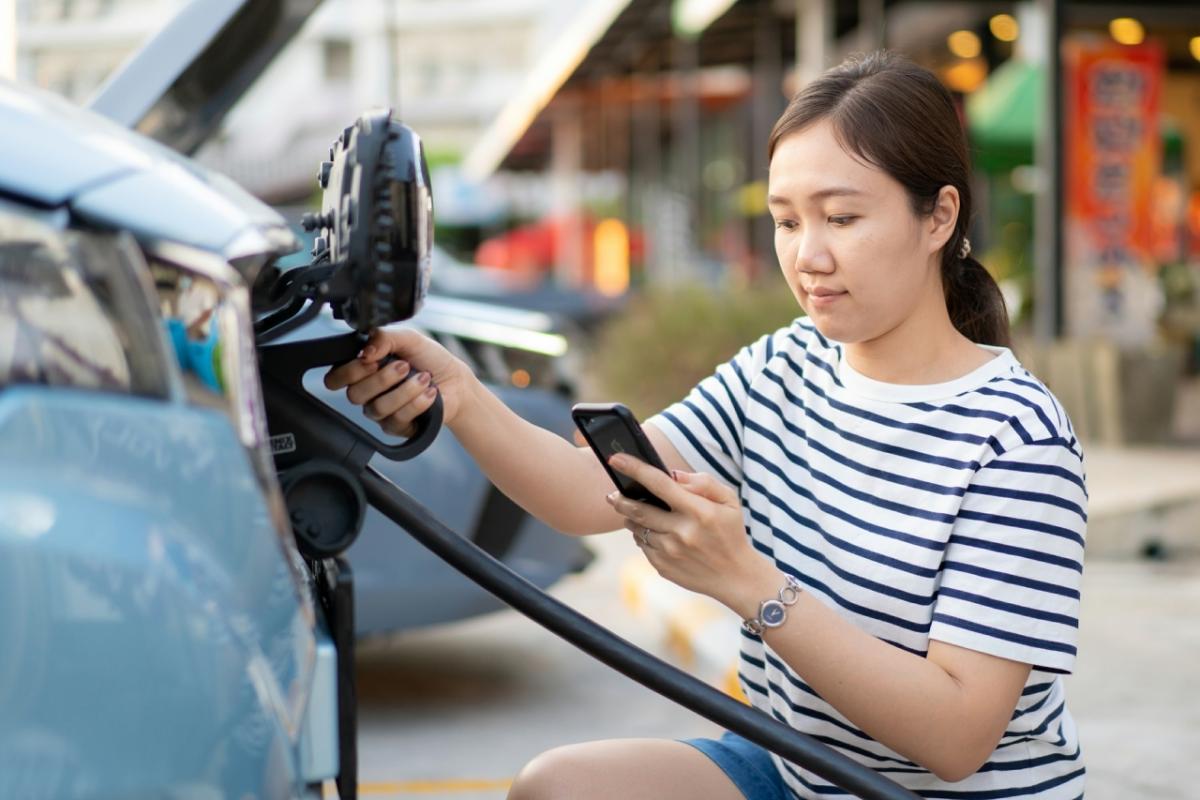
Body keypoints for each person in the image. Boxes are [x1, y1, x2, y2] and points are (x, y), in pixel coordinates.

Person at [325, 50, 1086, 800]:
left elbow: (955, 738)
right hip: (792, 769)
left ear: (939, 217)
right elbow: (590, 491)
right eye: (786, 221)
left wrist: (750, 585)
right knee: (556, 787)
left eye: (842, 217)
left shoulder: (1016, 439)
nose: (808, 256)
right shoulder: (788, 362)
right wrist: (458, 393)